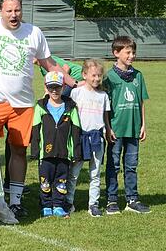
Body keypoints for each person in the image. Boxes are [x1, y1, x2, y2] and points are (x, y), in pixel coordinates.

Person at [0, 0, 78, 220]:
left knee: (19, 151)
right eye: (9, 11)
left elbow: (48, 63)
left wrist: (75, 84)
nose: (14, 15)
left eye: (17, 10)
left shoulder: (34, 32)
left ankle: (15, 202)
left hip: (23, 105)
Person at [104, 36, 150, 214]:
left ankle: (132, 199)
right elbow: (105, 106)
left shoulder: (138, 75)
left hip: (134, 128)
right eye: (128, 52)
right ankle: (112, 200)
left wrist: (143, 124)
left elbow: (141, 102)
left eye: (133, 52)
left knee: (131, 165)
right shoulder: (109, 77)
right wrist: (108, 127)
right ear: (116, 53)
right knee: (114, 165)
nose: (132, 55)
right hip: (116, 130)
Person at [30, 71, 81, 218]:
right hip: (45, 154)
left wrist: (76, 152)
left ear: (63, 86)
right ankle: (46, 206)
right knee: (45, 181)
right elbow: (35, 129)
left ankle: (58, 205)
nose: (54, 90)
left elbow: (76, 131)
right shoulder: (40, 106)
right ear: (46, 87)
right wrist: (35, 150)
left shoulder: (70, 107)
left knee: (61, 181)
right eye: (51, 87)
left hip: (64, 153)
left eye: (57, 87)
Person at [66, 59, 109, 217]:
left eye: (99, 76)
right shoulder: (76, 92)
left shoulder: (103, 95)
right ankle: (68, 202)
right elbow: (70, 114)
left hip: (97, 137)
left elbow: (105, 116)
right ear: (84, 75)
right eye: (93, 75)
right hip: (80, 137)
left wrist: (108, 131)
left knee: (95, 173)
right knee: (74, 172)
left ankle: (93, 204)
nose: (97, 79)